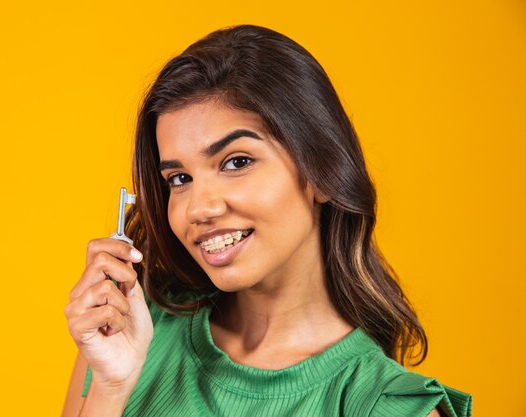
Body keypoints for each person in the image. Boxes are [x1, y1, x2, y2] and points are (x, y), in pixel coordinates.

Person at [62, 25, 472, 417]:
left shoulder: (383, 406)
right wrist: (110, 388)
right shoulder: (131, 324)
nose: (198, 209)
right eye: (180, 178)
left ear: (322, 171)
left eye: (236, 162)